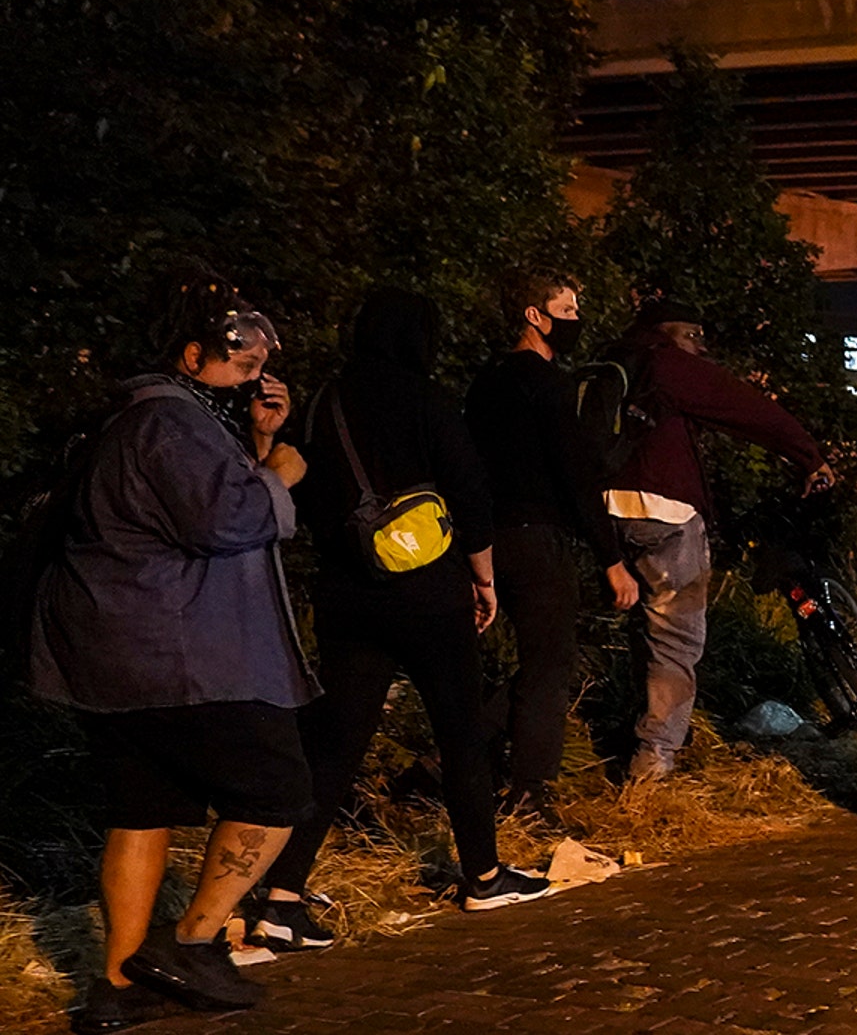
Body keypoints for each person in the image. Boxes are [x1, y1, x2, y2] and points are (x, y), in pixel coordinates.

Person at [31, 267, 314, 1028]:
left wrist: (254, 442)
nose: (253, 377)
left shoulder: (126, 419)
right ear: (191, 357)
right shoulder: (172, 423)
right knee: (278, 790)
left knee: (142, 810)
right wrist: (280, 472)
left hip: (108, 654)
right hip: (181, 652)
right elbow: (223, 519)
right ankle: (191, 944)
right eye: (241, 364)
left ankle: (120, 987)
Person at [255, 288, 548, 950]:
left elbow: (288, 483)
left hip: (347, 595)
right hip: (429, 593)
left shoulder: (325, 401)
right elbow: (470, 488)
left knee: (336, 744)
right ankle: (482, 874)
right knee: (460, 734)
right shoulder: (427, 399)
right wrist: (483, 575)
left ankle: (281, 897)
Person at [598, 300, 836, 783]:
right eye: (694, 335)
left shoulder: (606, 363)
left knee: (637, 631)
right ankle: (654, 761)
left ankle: (625, 732)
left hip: (603, 513)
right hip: (663, 512)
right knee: (677, 638)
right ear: (668, 333)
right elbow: (747, 408)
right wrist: (808, 456)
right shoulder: (666, 363)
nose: (701, 347)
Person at [466, 271, 640, 827]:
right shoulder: (548, 385)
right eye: (564, 310)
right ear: (533, 317)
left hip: (489, 540)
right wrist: (611, 558)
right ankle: (530, 794)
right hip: (539, 539)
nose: (574, 320)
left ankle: (448, 758)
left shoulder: (485, 383)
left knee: (536, 662)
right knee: (549, 669)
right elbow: (575, 477)